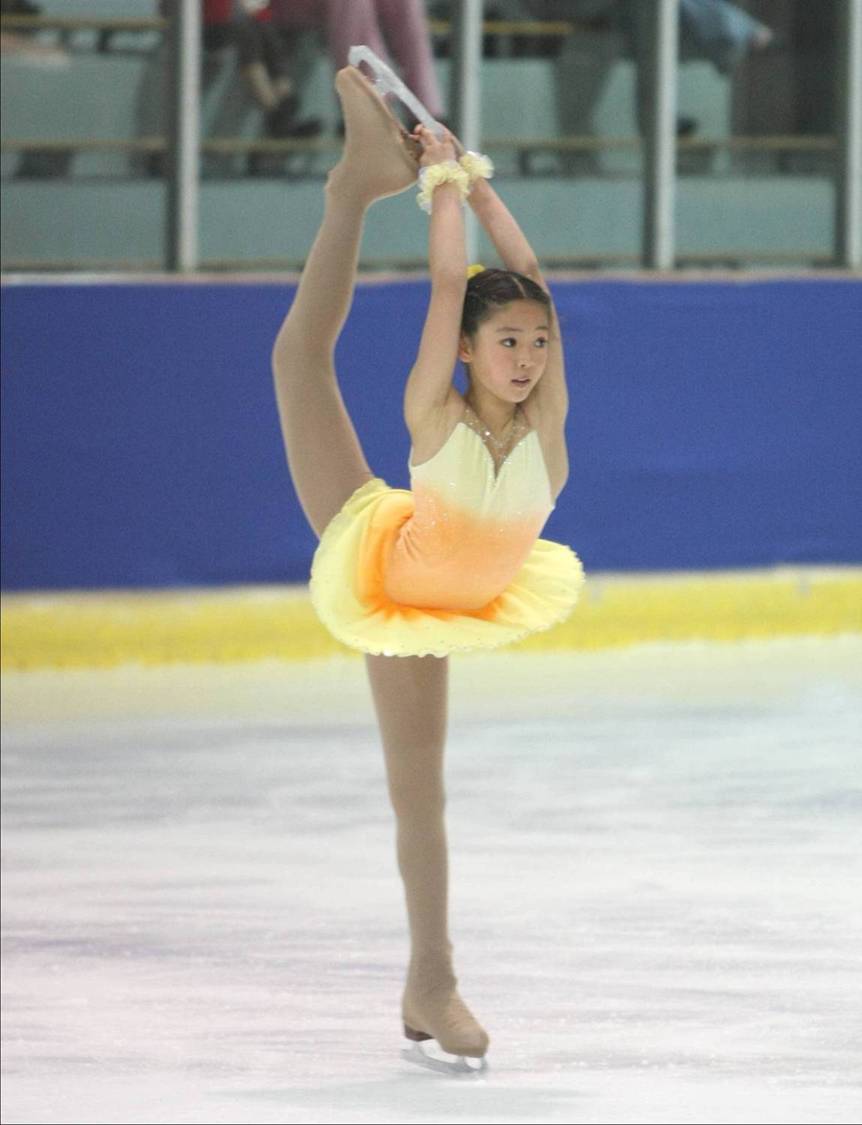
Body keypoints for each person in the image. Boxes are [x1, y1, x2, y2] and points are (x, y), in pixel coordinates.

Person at [271, 65, 584, 1068]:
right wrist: (437, 186)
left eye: (535, 341)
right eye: (506, 342)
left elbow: (526, 271)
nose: (527, 355)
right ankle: (349, 195)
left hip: (455, 599)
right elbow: (453, 283)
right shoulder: (433, 410)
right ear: (465, 351)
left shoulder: (547, 425)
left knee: (425, 794)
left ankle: (424, 981)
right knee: (298, 362)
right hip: (388, 568)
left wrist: (480, 185)